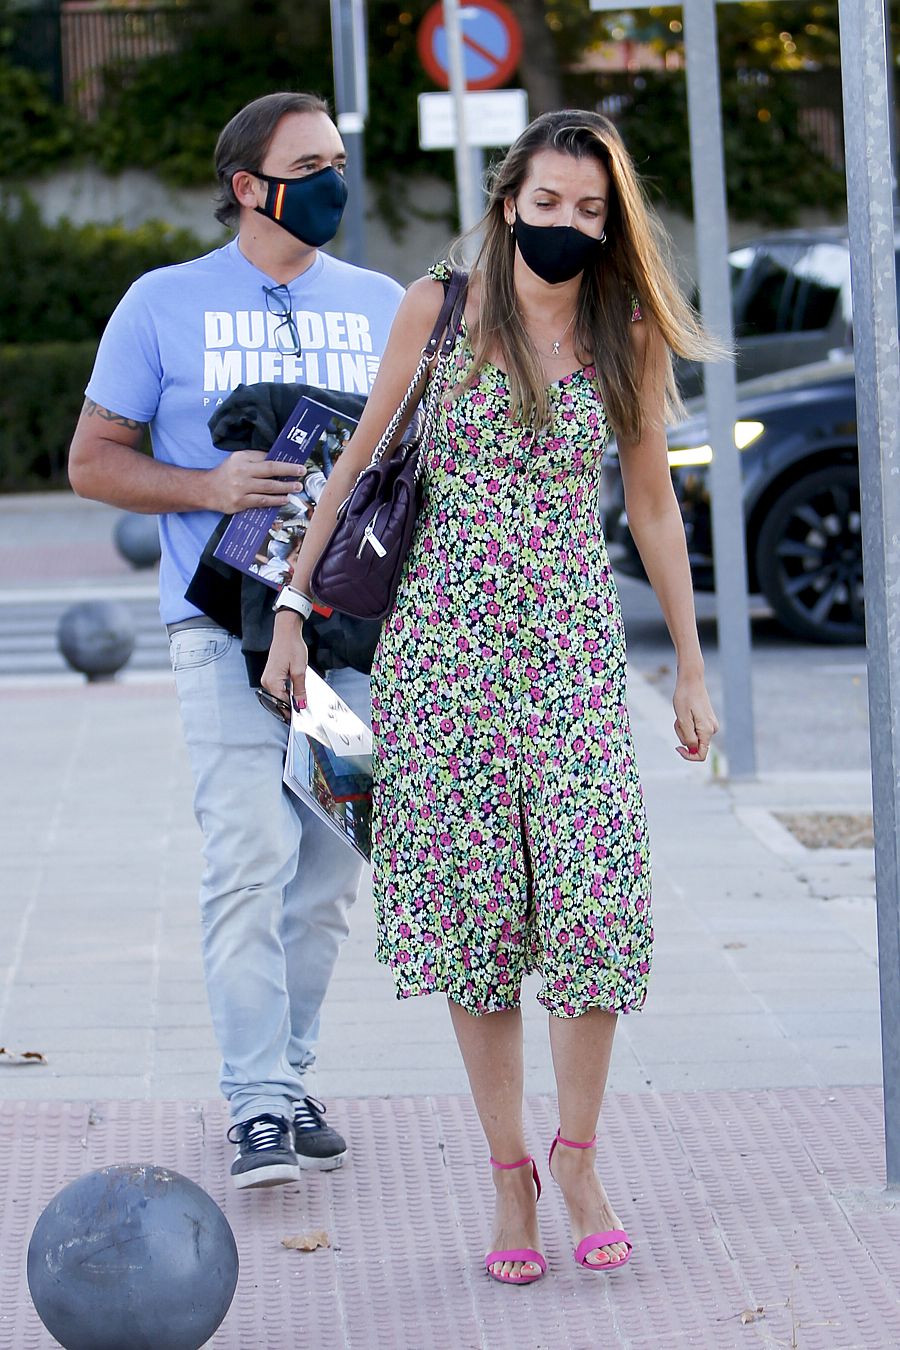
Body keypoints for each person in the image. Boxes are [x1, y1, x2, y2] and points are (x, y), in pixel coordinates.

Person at [262, 109, 719, 1278]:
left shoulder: (622, 328)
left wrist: (690, 668)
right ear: (510, 199)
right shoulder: (440, 309)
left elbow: (653, 506)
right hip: (444, 661)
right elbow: (359, 460)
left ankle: (580, 1158)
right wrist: (292, 608)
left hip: (572, 662)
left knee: (594, 910)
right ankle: (511, 1177)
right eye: (549, 201)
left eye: (591, 211)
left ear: (611, 225)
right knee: (476, 927)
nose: (567, 224)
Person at [68, 92, 405, 1188]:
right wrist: (207, 485)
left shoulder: (382, 303)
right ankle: (257, 1103)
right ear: (246, 186)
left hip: (346, 639)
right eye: (309, 166)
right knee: (248, 855)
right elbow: (91, 462)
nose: (333, 182)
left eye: (339, 161)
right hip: (220, 634)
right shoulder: (161, 303)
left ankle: (290, 1078)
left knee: (327, 868)